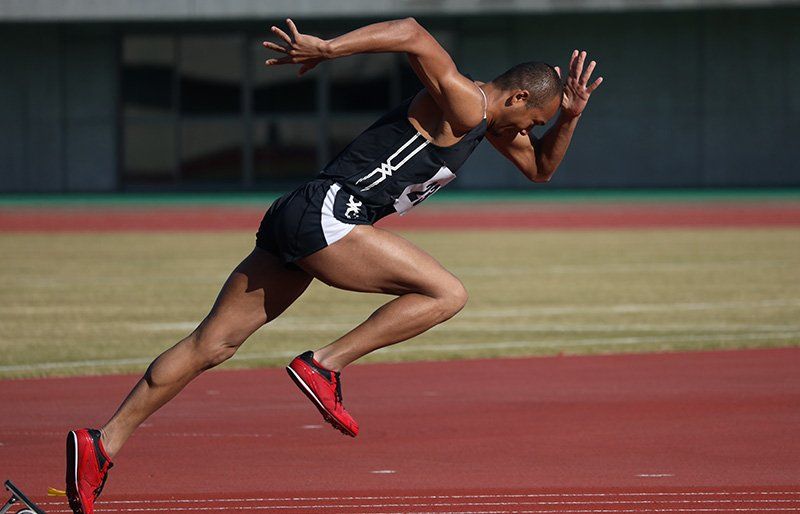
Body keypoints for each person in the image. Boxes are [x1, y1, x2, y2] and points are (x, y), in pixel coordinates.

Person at [65, 17, 602, 514]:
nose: (531, 130)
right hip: (330, 213)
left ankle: (101, 443)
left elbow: (541, 170)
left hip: (301, 212)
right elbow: (413, 33)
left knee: (214, 345)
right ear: (518, 96)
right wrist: (329, 48)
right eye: (535, 119)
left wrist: (570, 117)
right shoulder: (465, 102)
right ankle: (324, 364)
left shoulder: (491, 123)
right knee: (446, 294)